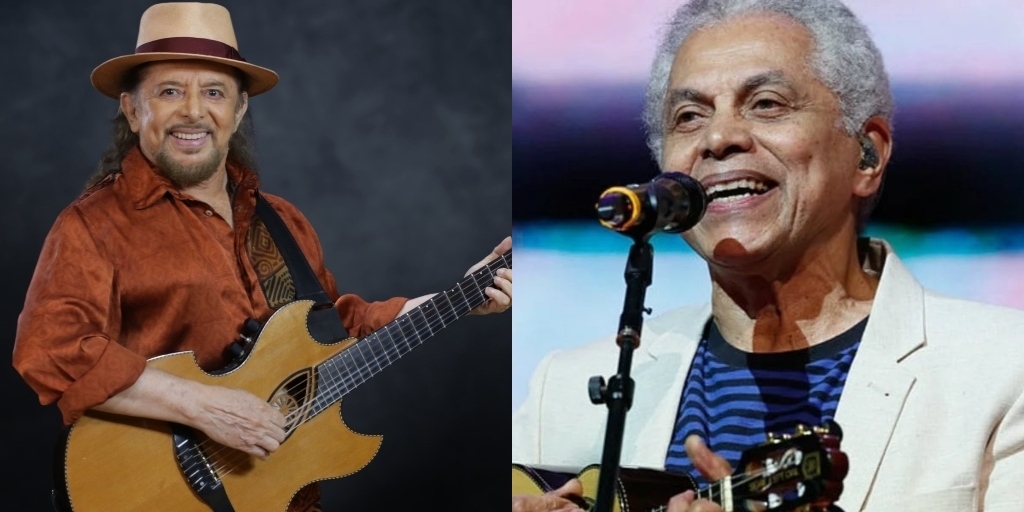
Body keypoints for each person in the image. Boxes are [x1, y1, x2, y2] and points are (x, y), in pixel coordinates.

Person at [511, 0, 1024, 511]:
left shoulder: (1002, 368)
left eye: (767, 104)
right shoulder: (565, 389)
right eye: (689, 116)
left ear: (866, 154)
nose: (719, 138)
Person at [11, 4, 512, 512]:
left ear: (239, 110)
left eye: (213, 92)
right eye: (169, 91)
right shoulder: (92, 224)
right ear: (132, 107)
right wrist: (204, 407)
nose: (192, 111)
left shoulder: (283, 221)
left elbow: (336, 331)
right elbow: (49, 350)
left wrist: (461, 297)